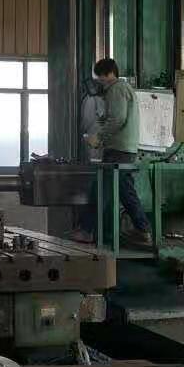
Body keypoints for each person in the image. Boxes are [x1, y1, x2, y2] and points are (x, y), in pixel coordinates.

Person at [77, 58, 152, 246]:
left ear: (108, 73)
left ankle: (86, 231)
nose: (99, 81)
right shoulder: (123, 89)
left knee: (101, 189)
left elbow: (118, 119)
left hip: (118, 150)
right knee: (126, 192)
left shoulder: (116, 89)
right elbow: (115, 117)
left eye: (100, 77)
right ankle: (143, 230)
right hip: (126, 149)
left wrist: (98, 137)